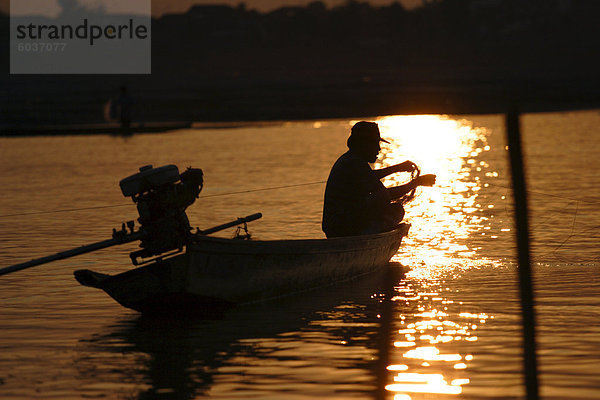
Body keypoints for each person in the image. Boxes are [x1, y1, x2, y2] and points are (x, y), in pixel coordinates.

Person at [322, 121, 436, 238]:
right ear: (363, 144)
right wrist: (416, 183)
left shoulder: (350, 160)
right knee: (396, 210)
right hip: (342, 228)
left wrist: (398, 168)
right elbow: (387, 194)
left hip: (335, 228)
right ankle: (367, 235)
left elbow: (370, 176)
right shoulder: (353, 163)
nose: (378, 149)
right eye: (375, 143)